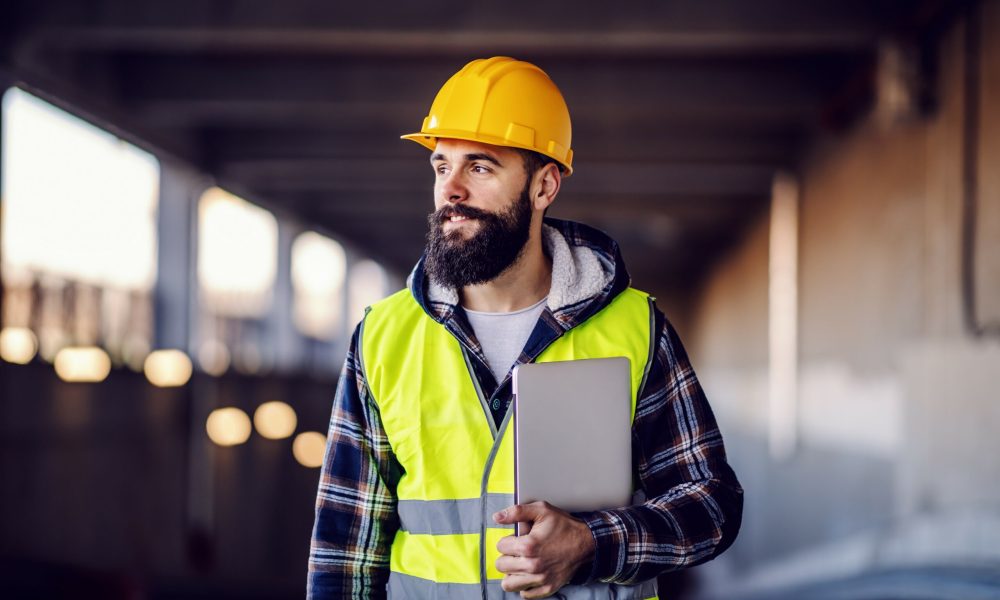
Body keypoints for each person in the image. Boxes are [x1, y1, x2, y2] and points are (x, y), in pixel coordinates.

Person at [308, 56, 742, 599]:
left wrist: (593, 542)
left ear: (544, 187)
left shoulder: (635, 327)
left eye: (480, 167)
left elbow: (711, 504)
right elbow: (343, 550)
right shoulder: (383, 335)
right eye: (442, 167)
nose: (452, 191)